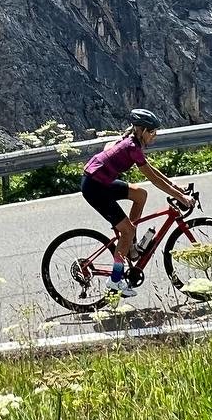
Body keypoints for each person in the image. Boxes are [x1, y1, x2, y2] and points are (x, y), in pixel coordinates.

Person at [80, 109, 193, 298]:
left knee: (140, 195)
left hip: (100, 181)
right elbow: (154, 179)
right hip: (94, 187)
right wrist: (182, 198)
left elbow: (151, 170)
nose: (154, 136)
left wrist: (175, 187)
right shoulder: (131, 147)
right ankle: (115, 279)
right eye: (151, 132)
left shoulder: (134, 144)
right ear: (141, 131)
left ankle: (131, 247)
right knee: (127, 230)